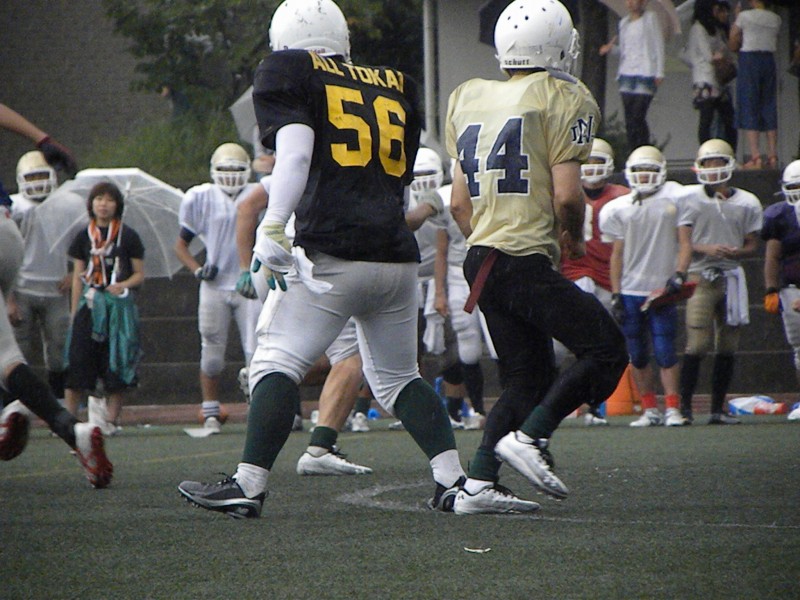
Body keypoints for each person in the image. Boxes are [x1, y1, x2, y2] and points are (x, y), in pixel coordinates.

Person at [179, 0, 469, 519]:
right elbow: (394, 181)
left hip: (332, 253)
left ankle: (248, 484)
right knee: (399, 378)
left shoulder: (289, 70)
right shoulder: (395, 84)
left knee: (274, 362)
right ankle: (454, 481)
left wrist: (274, 223)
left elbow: (295, 154)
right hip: (396, 258)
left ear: (284, 40)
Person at [446, 0, 628, 515]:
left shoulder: (467, 95)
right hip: (522, 257)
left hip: (481, 257)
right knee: (606, 349)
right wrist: (572, 238)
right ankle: (531, 438)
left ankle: (478, 483)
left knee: (527, 377)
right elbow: (568, 195)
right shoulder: (564, 94)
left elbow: (459, 204)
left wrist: (490, 244)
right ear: (558, 46)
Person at [0, 106, 111, 488]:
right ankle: (73, 431)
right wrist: (42, 139)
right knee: (6, 358)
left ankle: (8, 414)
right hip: (6, 233)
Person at [235, 175, 373, 475]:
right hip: (312, 264)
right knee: (349, 357)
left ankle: (261, 379)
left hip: (271, 259)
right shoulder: (338, 167)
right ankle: (319, 447)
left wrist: (245, 266)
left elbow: (247, 207)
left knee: (298, 356)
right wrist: (429, 209)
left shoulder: (294, 166)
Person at [599, 145, 693, 427]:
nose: (644, 175)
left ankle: (673, 408)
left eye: (649, 169)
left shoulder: (676, 197)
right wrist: (616, 292)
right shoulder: (618, 208)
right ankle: (649, 409)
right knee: (638, 355)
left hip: (661, 290)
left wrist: (679, 274)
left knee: (665, 351)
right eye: (639, 170)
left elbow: (685, 243)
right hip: (630, 290)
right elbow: (616, 255)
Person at [174, 143, 262, 433]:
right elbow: (181, 245)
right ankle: (210, 410)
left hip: (250, 283)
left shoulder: (258, 193)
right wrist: (197, 269)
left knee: (257, 351)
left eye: (237, 169)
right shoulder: (201, 197)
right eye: (225, 168)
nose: (231, 174)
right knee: (211, 354)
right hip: (214, 285)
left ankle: (260, 410)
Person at [678, 139, 763, 424]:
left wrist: (737, 252)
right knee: (697, 344)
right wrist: (707, 248)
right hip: (700, 275)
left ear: (729, 165)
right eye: (708, 163)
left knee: (727, 346)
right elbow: (684, 242)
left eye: (718, 162)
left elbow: (752, 244)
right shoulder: (688, 198)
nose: (713, 169)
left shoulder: (747, 202)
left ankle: (717, 409)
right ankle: (685, 409)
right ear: (699, 166)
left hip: (732, 277)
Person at [557, 137, 631, 426]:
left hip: (608, 278)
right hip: (572, 274)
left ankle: (593, 405)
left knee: (604, 346)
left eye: (598, 161)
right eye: (587, 162)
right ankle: (561, 402)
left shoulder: (623, 196)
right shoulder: (564, 191)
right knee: (564, 347)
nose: (592, 168)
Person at [64, 182, 144, 433]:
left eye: (109, 199)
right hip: (89, 304)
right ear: (91, 204)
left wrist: (122, 285)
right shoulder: (83, 236)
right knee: (77, 359)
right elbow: (78, 276)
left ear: (117, 205)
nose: (103, 204)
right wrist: (74, 311)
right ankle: (68, 420)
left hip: (117, 308)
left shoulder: (128, 236)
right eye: (99, 199)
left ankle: (110, 419)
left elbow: (139, 274)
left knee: (116, 360)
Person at [8, 151, 81, 406]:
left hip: (56, 289)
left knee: (59, 350)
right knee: (17, 352)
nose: (38, 182)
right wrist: (8, 297)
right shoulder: (13, 208)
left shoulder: (68, 204)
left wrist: (74, 273)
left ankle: (58, 401)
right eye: (32, 177)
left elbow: (86, 243)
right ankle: (16, 405)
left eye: (42, 175)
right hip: (21, 288)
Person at [599, 0, 665, 151]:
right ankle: (632, 151)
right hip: (626, 73)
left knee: (638, 115)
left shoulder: (650, 18)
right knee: (629, 118)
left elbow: (658, 45)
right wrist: (610, 49)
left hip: (645, 72)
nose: (630, 3)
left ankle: (644, 149)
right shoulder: (624, 23)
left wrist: (659, 71)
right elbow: (624, 50)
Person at [762, 160, 800, 421]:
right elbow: (773, 256)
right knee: (799, 348)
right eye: (794, 186)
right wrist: (771, 289)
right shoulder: (779, 216)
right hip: (792, 288)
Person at [729, 0, 782, 169]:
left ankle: (755, 155)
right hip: (768, 59)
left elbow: (733, 42)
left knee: (749, 104)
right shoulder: (775, 18)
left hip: (749, 59)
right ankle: (772, 154)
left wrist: (736, 17)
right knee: (769, 103)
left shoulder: (744, 16)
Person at [685, 0, 737, 149]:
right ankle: (706, 151)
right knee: (706, 118)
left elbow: (725, 49)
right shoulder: (698, 29)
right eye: (715, 8)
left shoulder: (715, 29)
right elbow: (708, 55)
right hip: (704, 80)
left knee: (728, 118)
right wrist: (719, 55)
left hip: (718, 81)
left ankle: (730, 150)